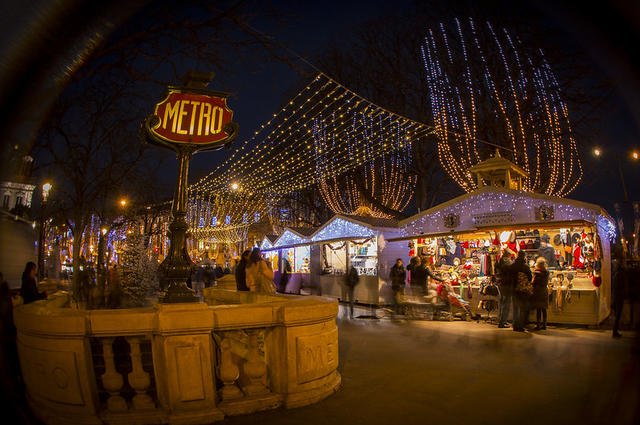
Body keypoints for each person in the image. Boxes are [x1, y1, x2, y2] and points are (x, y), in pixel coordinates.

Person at [510, 250, 532, 332]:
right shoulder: (525, 267)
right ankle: (520, 325)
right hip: (523, 289)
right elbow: (530, 277)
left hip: (514, 288)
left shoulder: (513, 265)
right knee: (522, 308)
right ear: (524, 257)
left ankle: (515, 325)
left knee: (515, 308)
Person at [611, 245, 626, 338]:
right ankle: (615, 331)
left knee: (617, 314)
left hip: (617, 295)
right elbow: (618, 286)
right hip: (618, 295)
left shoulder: (616, 273)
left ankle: (615, 331)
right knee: (618, 314)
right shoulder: (619, 274)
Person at [496, 251, 514, 328]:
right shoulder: (508, 262)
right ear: (509, 255)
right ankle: (502, 322)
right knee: (506, 304)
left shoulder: (500, 261)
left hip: (501, 284)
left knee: (502, 302)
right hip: (507, 284)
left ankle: (501, 320)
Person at [531, 257, 549, 330]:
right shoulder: (547, 272)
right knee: (544, 309)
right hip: (544, 291)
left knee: (538, 309)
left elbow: (533, 282)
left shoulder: (536, 274)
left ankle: (538, 324)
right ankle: (544, 325)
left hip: (538, 291)